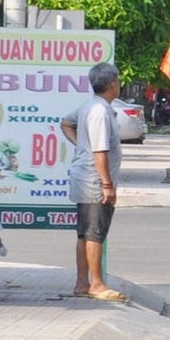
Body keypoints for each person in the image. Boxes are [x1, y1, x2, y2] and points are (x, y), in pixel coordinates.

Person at [60, 62, 128, 301]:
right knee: (94, 233)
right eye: (118, 80)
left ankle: (82, 283)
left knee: (85, 233)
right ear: (112, 84)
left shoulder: (92, 106)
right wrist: (107, 185)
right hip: (93, 181)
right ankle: (96, 284)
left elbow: (66, 123)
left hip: (86, 177)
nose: (119, 84)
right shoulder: (98, 111)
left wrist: (80, 144)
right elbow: (100, 151)